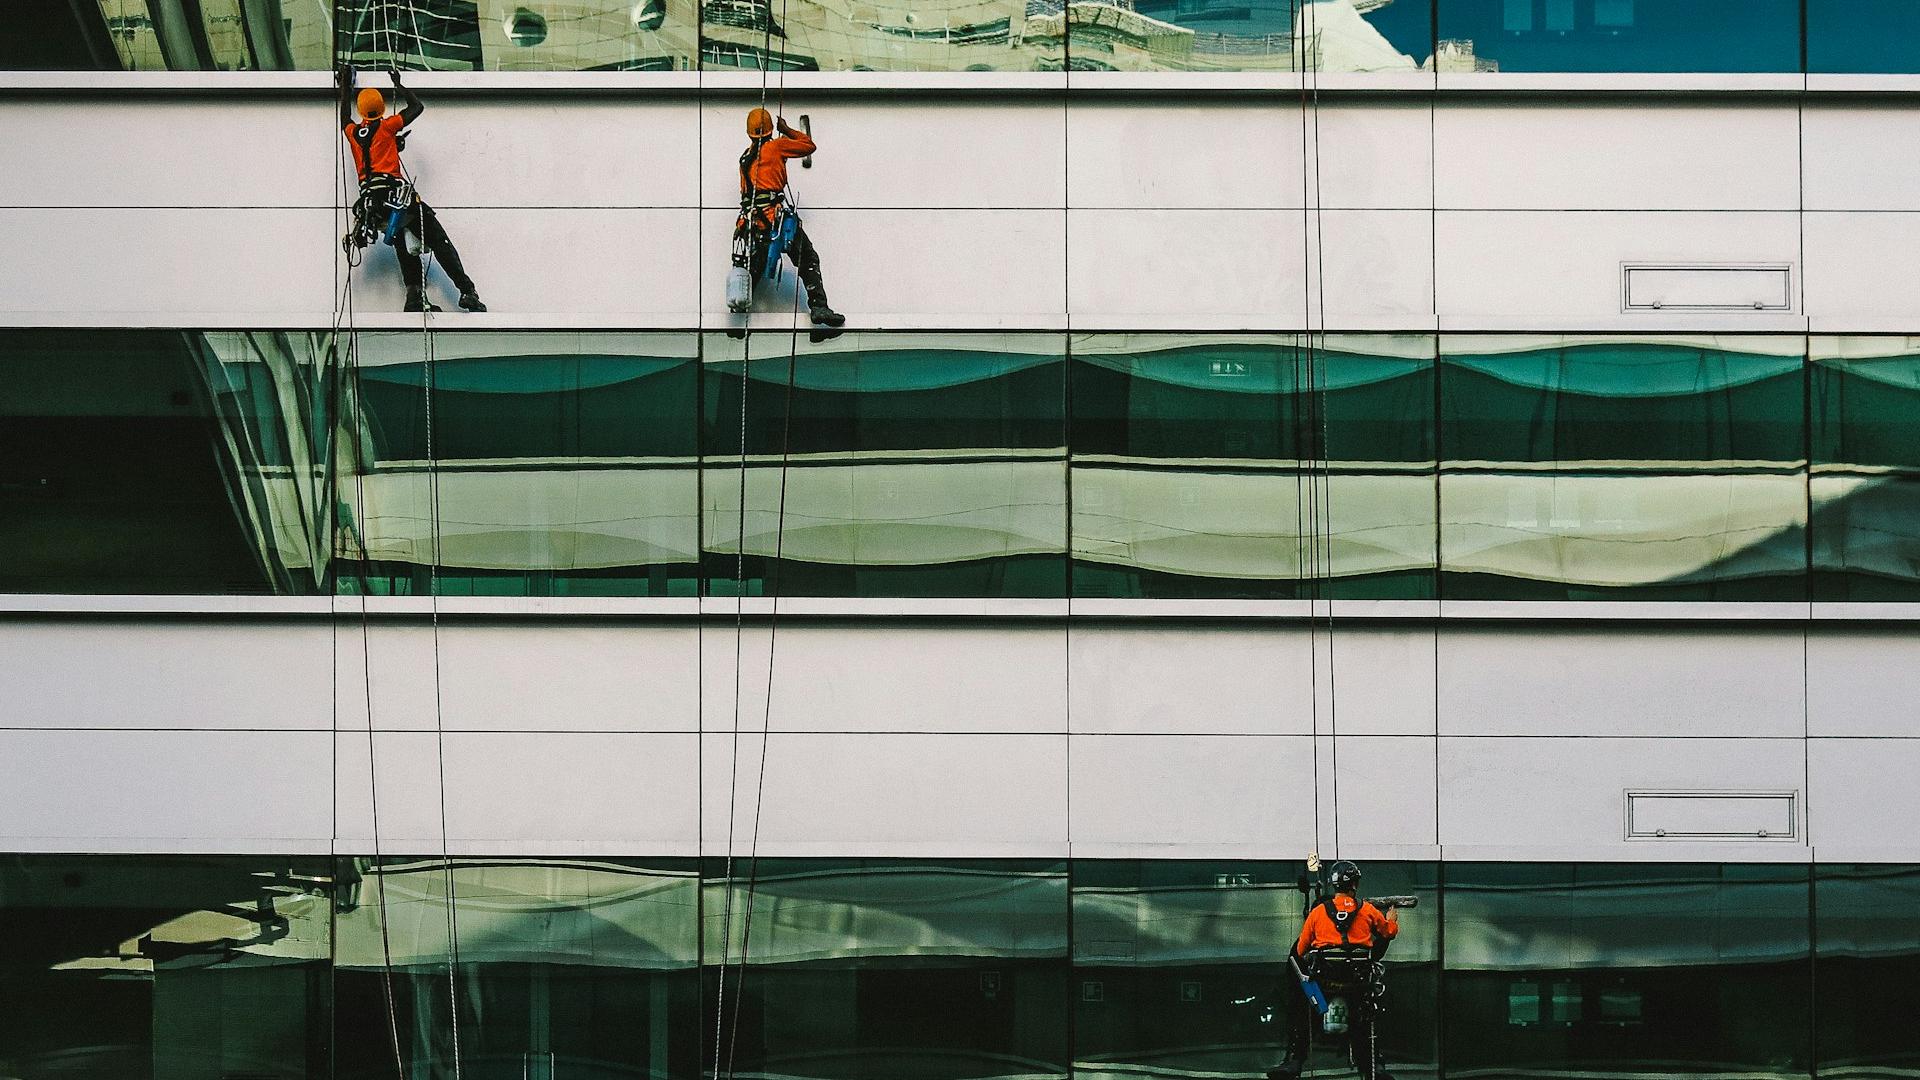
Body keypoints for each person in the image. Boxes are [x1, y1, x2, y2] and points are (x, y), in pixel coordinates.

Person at [338, 67, 485, 313]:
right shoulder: (386, 126)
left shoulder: (353, 133)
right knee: (438, 239)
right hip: (396, 198)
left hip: (373, 207)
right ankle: (467, 291)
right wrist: (400, 85)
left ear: (362, 111)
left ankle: (415, 297)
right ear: (380, 110)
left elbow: (344, 117)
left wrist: (345, 86)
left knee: (403, 245)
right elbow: (417, 108)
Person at [1269, 860, 1400, 1080]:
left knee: (1302, 1009)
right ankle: (1374, 1065)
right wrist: (1392, 920)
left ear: (1334, 885)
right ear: (1355, 885)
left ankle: (1294, 1060)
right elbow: (1388, 932)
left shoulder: (1318, 913)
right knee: (1365, 1017)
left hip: (1323, 990)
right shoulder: (1367, 910)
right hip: (1357, 987)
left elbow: (1300, 950)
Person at [734, 106, 843, 327]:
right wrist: (787, 129)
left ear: (749, 133)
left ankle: (739, 312)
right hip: (773, 219)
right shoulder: (775, 148)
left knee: (754, 266)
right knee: (807, 258)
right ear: (770, 130)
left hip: (753, 222)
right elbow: (808, 145)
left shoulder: (745, 157)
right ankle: (819, 307)